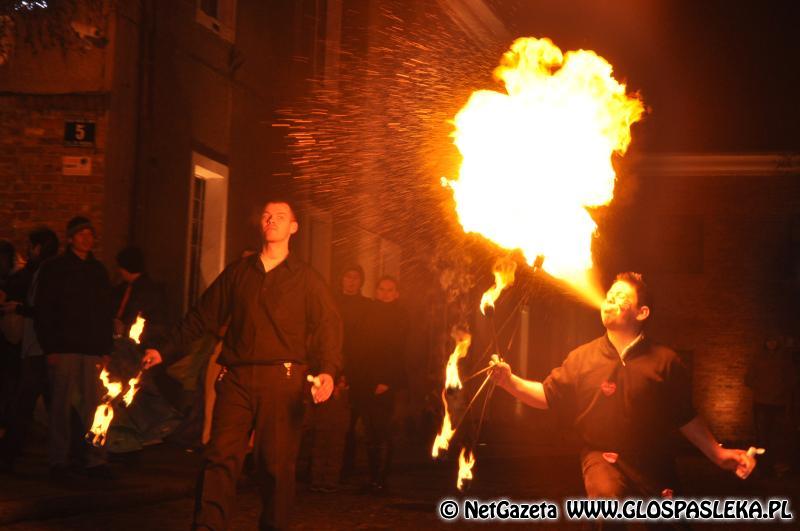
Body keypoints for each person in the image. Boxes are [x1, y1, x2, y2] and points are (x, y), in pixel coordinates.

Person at [141, 199, 342, 531]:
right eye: (266, 215)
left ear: (293, 227)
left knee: (275, 466)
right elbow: (202, 316)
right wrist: (164, 349)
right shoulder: (239, 273)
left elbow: (329, 327)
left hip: (283, 380)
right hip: (235, 379)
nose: (271, 220)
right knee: (219, 458)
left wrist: (328, 371)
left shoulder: (307, 280)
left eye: (280, 216)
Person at [491, 272, 758, 500]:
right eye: (610, 294)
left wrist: (719, 455)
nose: (610, 299)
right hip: (600, 458)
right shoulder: (581, 358)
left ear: (642, 313)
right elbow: (548, 396)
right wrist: (509, 381)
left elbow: (685, 417)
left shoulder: (665, 362)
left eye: (622, 297)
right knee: (606, 506)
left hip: (652, 461)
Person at [34, 217, 114, 480]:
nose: (87, 238)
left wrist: (105, 349)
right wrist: (51, 347)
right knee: (60, 406)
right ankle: (59, 459)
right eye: (81, 234)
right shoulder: (55, 269)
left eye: (90, 234)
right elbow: (45, 310)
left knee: (95, 407)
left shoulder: (98, 271)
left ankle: (95, 458)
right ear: (71, 238)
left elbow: (105, 312)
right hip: (65, 346)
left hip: (91, 348)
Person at [0, 227, 59, 472]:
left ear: (37, 247)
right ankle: (68, 452)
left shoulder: (40, 273)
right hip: (48, 346)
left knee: (25, 402)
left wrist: (19, 308)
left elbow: (42, 308)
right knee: (54, 401)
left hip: (39, 346)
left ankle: (8, 454)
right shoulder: (51, 271)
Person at [347, 275, 408, 493]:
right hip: (365, 380)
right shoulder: (368, 313)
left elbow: (399, 353)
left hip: (385, 384)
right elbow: (360, 346)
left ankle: (381, 479)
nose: (385, 293)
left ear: (396, 293)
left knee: (382, 431)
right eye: (381, 289)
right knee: (370, 431)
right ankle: (374, 478)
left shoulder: (401, 317)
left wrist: (387, 380)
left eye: (389, 289)